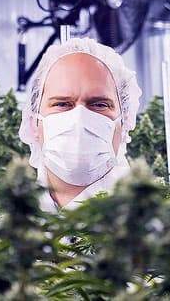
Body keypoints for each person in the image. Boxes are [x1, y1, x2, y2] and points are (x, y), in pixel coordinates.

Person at [19, 38, 141, 213]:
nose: (79, 119)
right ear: (33, 124)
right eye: (62, 104)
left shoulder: (155, 227)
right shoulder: (0, 229)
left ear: (125, 122)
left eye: (99, 104)